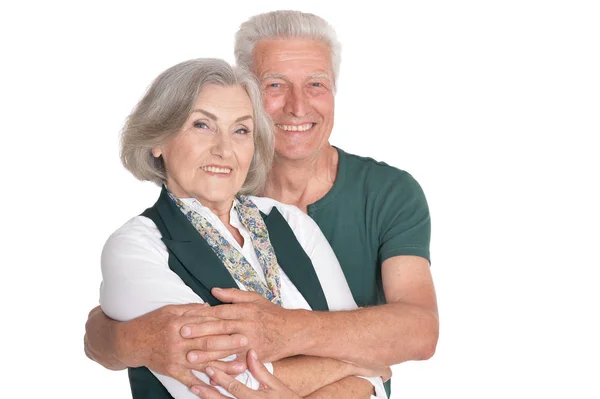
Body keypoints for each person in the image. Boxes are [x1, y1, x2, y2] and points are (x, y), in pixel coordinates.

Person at [85, 10, 439, 398]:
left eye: (240, 130)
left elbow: (405, 344)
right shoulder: (142, 243)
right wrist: (119, 338)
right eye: (275, 84)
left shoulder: (300, 219)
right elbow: (228, 386)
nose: (298, 106)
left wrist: (287, 333)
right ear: (158, 139)